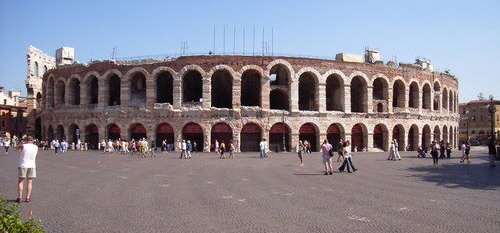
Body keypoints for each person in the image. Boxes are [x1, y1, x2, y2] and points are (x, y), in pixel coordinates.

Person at [16, 136, 38, 203]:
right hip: (32, 165)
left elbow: (16, 148)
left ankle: (20, 197)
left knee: (20, 181)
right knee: (29, 182)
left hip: (23, 165)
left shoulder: (23, 146)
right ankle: (28, 197)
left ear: (26, 140)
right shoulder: (36, 147)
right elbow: (36, 156)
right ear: (32, 140)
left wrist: (22, 143)